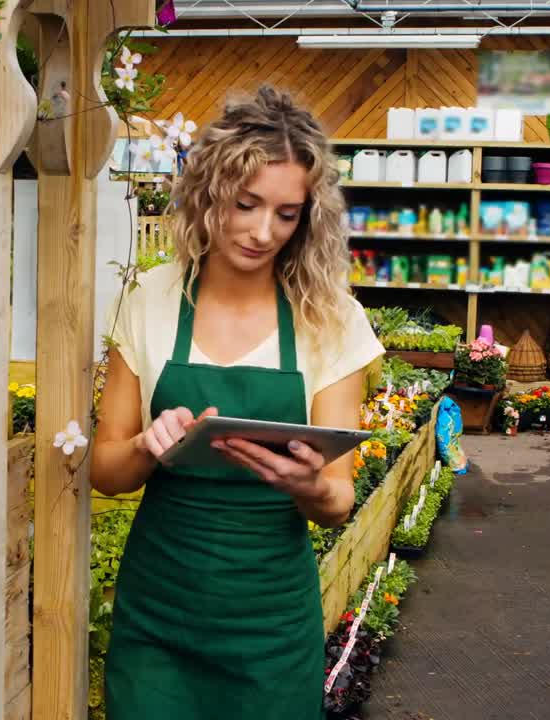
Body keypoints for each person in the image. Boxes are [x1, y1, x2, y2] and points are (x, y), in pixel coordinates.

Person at [90, 86, 383, 719]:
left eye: (285, 214)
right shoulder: (150, 301)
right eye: (245, 204)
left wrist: (308, 484)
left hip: (271, 631)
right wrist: (146, 447)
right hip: (157, 623)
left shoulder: (328, 320)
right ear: (207, 191)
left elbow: (338, 501)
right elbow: (104, 471)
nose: (261, 232)